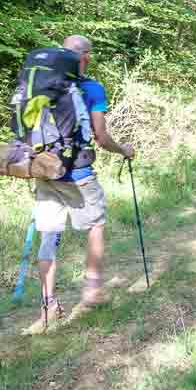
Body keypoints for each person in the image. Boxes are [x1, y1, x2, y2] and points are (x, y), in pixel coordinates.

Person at [32, 35, 134, 328]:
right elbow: (100, 137)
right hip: (78, 173)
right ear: (85, 57)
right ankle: (92, 291)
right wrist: (123, 150)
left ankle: (48, 305)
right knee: (95, 225)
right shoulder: (92, 88)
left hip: (46, 171)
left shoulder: (43, 84)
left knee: (49, 234)